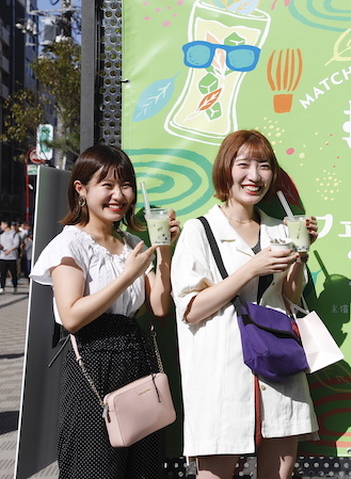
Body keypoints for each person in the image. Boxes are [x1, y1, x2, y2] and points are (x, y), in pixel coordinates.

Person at [171, 130, 318, 479]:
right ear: (226, 169)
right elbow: (191, 309)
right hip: (221, 372)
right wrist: (251, 268)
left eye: (264, 166)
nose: (254, 176)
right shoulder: (199, 231)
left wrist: (300, 255)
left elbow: (290, 299)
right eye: (244, 165)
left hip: (279, 369)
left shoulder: (280, 230)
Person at [29, 144, 180, 478]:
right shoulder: (70, 244)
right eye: (107, 185)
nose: (119, 195)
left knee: (142, 467)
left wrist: (164, 253)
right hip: (92, 361)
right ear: (81, 189)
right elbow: (72, 317)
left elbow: (159, 307)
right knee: (94, 465)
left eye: (125, 185)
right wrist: (127, 276)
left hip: (136, 360)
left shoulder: (130, 243)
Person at [0, 220, 22, 294]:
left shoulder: (14, 234)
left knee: (13, 273)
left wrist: (9, 250)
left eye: (2, 224)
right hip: (3, 256)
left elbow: (16, 244)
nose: (1, 226)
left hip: (12, 257)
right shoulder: (2, 235)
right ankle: (2, 287)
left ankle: (15, 287)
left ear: (6, 224)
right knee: (3, 273)